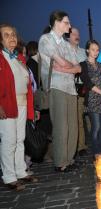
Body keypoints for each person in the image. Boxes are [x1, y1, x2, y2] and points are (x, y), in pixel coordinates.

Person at [39, 11, 81, 172]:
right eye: (66, 22)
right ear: (56, 22)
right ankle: (60, 162)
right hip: (56, 87)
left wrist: (65, 67)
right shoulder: (46, 39)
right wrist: (67, 65)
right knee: (61, 126)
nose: (69, 26)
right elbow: (61, 61)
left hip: (71, 88)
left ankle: (69, 159)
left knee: (73, 126)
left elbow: (76, 67)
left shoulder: (65, 43)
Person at [0, 24, 38, 190]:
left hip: (22, 103)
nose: (12, 37)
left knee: (20, 139)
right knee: (9, 141)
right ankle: (9, 177)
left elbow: (28, 84)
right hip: (7, 104)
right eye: (7, 35)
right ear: (1, 40)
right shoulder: (1, 58)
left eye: (13, 34)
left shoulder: (19, 58)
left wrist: (33, 107)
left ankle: (21, 171)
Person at [79, 40, 101, 156]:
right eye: (93, 49)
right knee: (96, 127)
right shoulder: (83, 65)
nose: (96, 52)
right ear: (87, 50)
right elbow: (88, 84)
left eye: (97, 50)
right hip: (93, 100)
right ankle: (96, 153)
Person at [68, 27, 89, 156]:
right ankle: (77, 146)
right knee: (75, 119)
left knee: (84, 118)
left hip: (83, 89)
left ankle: (84, 145)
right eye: (74, 33)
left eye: (78, 33)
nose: (77, 36)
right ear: (68, 36)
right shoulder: (65, 51)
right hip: (70, 89)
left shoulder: (83, 52)